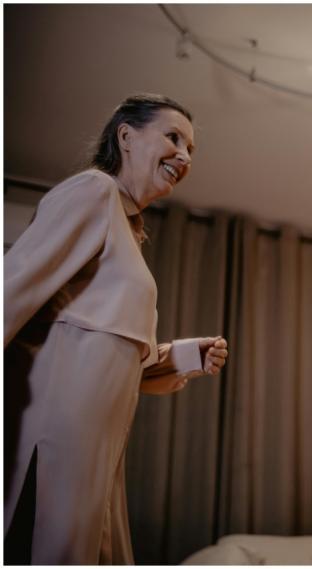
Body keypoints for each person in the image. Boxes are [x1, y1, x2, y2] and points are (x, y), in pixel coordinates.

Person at [4, 94, 230, 564]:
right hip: (56, 438)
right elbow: (12, 288)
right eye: (173, 138)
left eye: (191, 149)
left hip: (97, 451)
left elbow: (115, 357)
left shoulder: (131, 230)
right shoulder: (94, 191)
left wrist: (186, 355)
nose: (185, 156)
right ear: (126, 136)